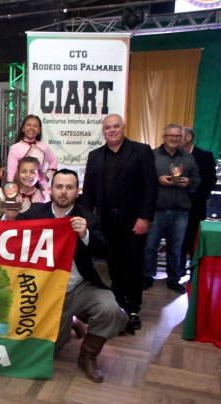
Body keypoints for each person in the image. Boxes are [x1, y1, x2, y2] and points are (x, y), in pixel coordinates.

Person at [17, 169, 128, 383]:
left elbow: (105, 251)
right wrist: (8, 216)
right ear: (51, 189)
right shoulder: (36, 212)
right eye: (59, 187)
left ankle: (88, 356)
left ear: (77, 192)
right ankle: (73, 322)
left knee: (110, 310)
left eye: (69, 187)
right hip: (44, 291)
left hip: (79, 287)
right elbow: (11, 230)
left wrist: (85, 234)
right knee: (48, 351)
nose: (63, 192)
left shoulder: (88, 218)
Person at [82, 114, 158, 331]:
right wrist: (87, 220)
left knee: (132, 265)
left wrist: (144, 217)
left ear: (124, 127)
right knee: (113, 266)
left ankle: (133, 309)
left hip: (135, 223)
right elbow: (88, 192)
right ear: (103, 131)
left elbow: (151, 187)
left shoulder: (141, 151)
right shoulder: (95, 156)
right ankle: (118, 306)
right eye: (108, 127)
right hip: (106, 223)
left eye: (116, 126)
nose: (112, 130)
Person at [143, 124, 201, 294]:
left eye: (177, 136)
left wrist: (189, 182)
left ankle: (174, 279)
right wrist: (158, 180)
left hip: (180, 210)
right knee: (150, 246)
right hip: (156, 209)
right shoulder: (151, 155)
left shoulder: (188, 158)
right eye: (170, 135)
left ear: (182, 138)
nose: (174, 138)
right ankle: (147, 276)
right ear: (164, 137)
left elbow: (197, 180)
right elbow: (142, 180)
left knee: (176, 247)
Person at [179, 127, 217, 273]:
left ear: (188, 138)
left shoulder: (205, 156)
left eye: (179, 136)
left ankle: (195, 272)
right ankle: (178, 270)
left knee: (193, 239)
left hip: (196, 206)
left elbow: (210, 181)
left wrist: (193, 191)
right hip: (176, 205)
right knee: (178, 240)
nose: (175, 139)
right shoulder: (175, 156)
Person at [7, 115, 57, 190]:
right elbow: (11, 174)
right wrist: (12, 191)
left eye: (35, 126)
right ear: (23, 128)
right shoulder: (15, 148)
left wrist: (48, 176)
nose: (32, 128)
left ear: (39, 130)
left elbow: (53, 160)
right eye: (28, 125)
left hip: (40, 188)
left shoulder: (44, 147)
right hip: (20, 188)